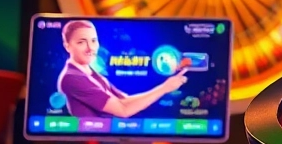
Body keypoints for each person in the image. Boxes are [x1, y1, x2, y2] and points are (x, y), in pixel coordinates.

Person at [56, 20, 187, 118]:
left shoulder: (90, 72)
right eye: (81, 42)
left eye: (94, 41)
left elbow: (124, 100)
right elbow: (123, 110)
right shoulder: (71, 78)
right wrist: (165, 88)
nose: (90, 48)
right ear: (67, 46)